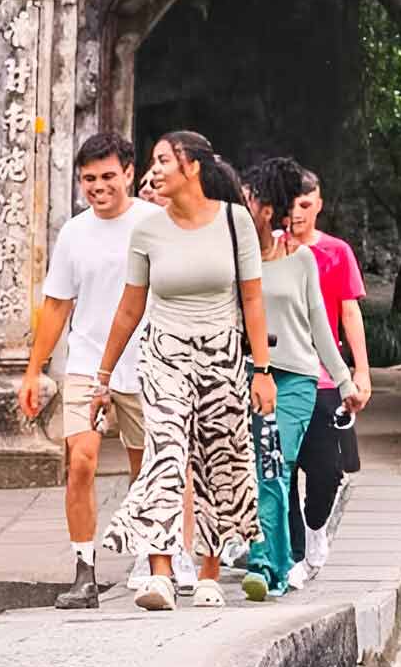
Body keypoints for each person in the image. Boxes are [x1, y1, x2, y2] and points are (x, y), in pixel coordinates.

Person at [81, 131, 272, 610]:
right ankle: (160, 572)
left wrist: (263, 370)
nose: (154, 170)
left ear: (192, 167)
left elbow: (251, 297)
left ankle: (209, 572)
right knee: (165, 454)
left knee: (218, 460)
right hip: (164, 353)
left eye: (164, 160)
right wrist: (102, 377)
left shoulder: (234, 223)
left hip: (222, 354)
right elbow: (129, 308)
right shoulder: (147, 231)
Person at [15, 132, 142, 608]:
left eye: (108, 176)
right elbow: (56, 305)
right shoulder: (74, 232)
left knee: (144, 468)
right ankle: (85, 570)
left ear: (129, 173)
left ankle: (152, 564)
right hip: (87, 362)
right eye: (89, 179)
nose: (98, 186)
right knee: (81, 464)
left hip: (143, 364)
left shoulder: (151, 225)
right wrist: (34, 372)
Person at [238, 156, 352, 592]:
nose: (242, 203)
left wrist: (344, 381)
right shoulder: (236, 257)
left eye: (250, 197)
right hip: (245, 377)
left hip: (295, 379)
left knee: (276, 464)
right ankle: (281, 557)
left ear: (268, 207)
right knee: (255, 472)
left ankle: (268, 566)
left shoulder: (302, 259)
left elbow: (320, 325)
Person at [284, 169, 372, 579]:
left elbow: (348, 312)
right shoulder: (268, 251)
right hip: (278, 371)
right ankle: (293, 554)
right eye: (292, 204)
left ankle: (316, 526)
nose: (298, 213)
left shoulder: (336, 252)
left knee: (324, 471)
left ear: (319, 204)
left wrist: (361, 371)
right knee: (279, 471)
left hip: (322, 376)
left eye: (306, 204)